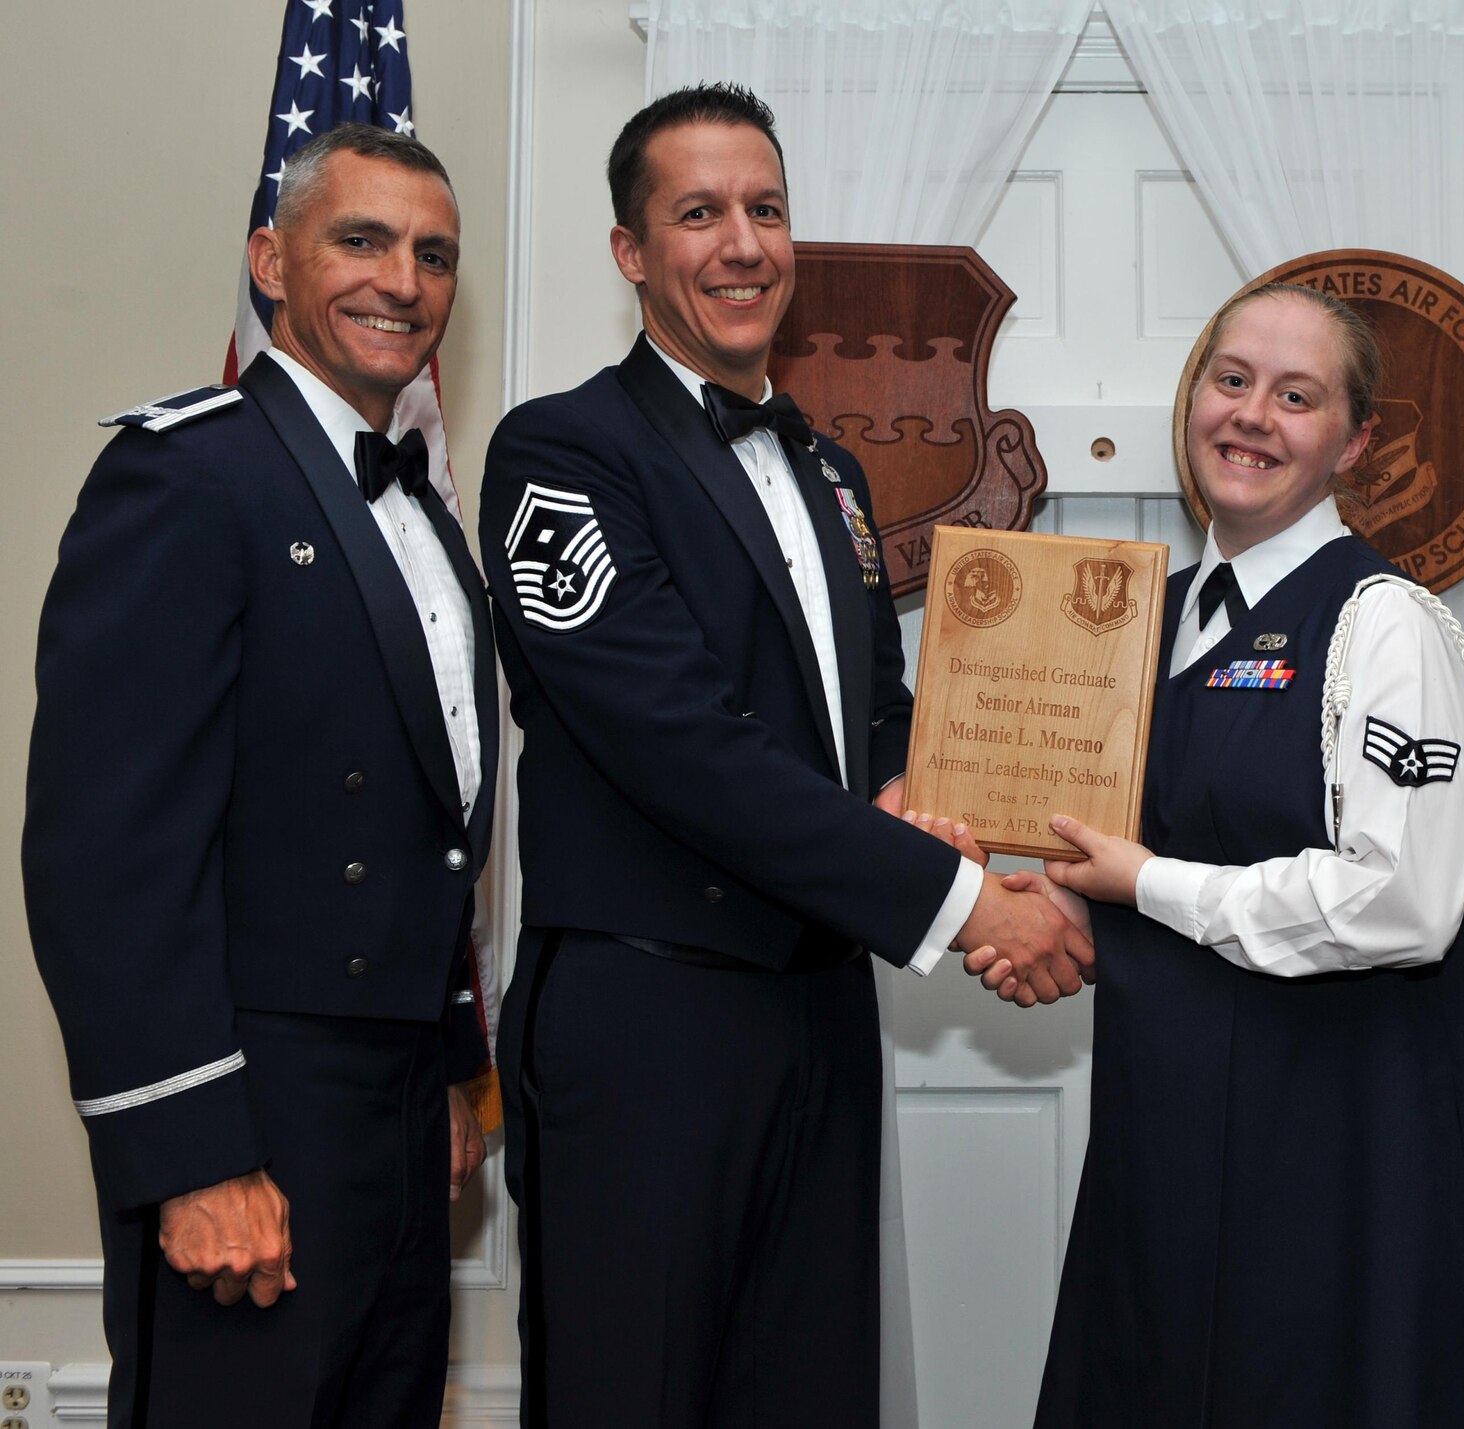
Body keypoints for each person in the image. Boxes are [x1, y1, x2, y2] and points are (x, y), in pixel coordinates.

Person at [478, 83, 1092, 1429]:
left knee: (808, 1390)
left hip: (815, 1009)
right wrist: (965, 904)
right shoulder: (562, 453)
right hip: (647, 1019)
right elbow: (686, 748)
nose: (743, 242)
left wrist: (931, 813)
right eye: (698, 213)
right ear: (633, 251)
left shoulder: (830, 472)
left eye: (766, 208)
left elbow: (873, 726)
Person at [958, 282, 1464, 1425]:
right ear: (1191, 399)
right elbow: (1125, 851)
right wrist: (1059, 917)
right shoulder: (1148, 616)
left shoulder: (1386, 624)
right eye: (1230, 382)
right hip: (1170, 1143)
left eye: (1296, 396)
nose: (1250, 416)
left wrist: (1144, 886)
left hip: (1343, 1162)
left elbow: (1403, 902)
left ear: (1353, 441)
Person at [23, 124, 498, 1429]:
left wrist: (451, 1066)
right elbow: (105, 854)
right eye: (362, 240)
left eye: (434, 253)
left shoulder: (422, 512)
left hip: (399, 1113)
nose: (402, 278)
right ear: (270, 261)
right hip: (253, 1102)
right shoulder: (183, 474)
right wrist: (193, 1156)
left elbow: (430, 817)